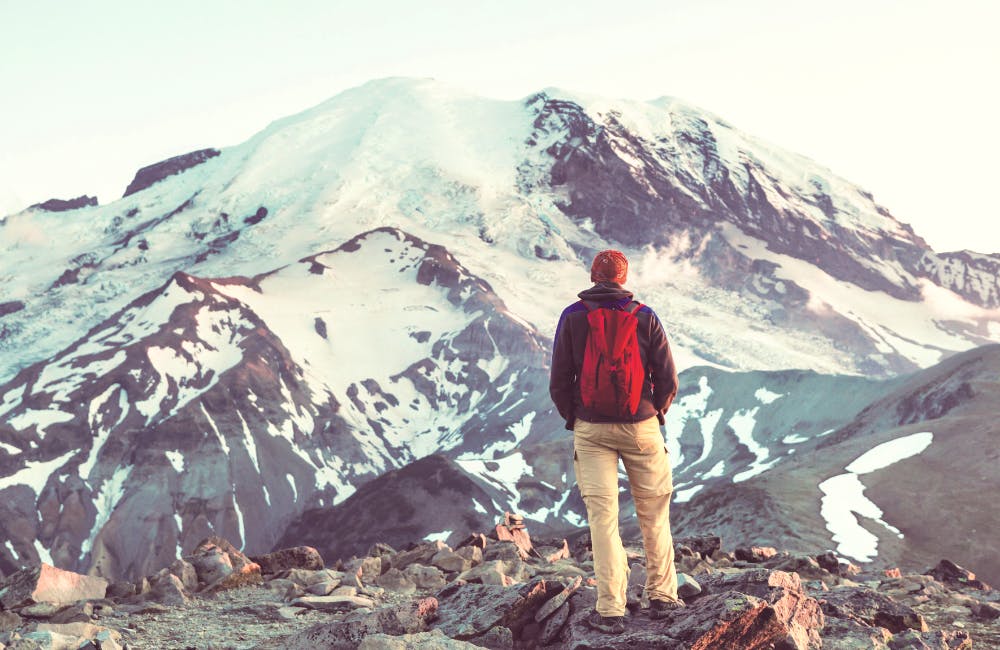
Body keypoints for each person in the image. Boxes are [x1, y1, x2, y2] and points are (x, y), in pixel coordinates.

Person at [549, 249, 682, 634]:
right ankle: (662, 597)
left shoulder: (573, 317)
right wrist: (654, 412)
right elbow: (668, 377)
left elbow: (560, 379)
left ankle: (610, 609)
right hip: (641, 426)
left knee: (603, 520)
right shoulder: (644, 316)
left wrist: (575, 417)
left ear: (593, 276)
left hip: (591, 431)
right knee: (654, 514)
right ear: (624, 279)